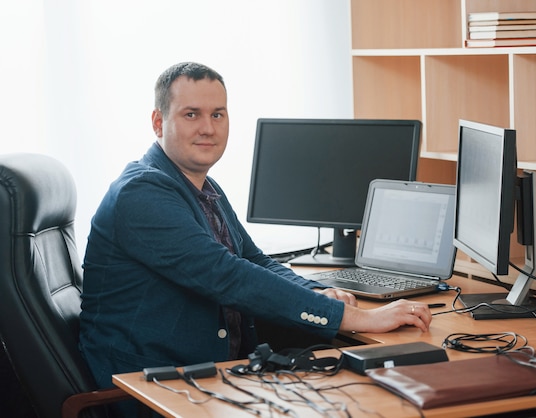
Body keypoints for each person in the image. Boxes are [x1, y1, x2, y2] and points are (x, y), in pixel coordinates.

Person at [78, 62, 432, 393]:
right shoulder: (142, 193)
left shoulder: (202, 188)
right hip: (151, 387)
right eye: (191, 115)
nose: (208, 128)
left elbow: (254, 260)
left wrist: (318, 292)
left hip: (203, 375)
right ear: (158, 122)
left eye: (218, 114)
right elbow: (227, 275)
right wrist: (356, 318)